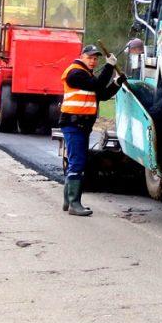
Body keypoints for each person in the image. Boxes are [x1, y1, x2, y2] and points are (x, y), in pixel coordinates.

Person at [59, 44, 125, 216]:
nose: (94, 61)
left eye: (96, 58)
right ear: (82, 56)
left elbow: (101, 95)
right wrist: (110, 66)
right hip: (74, 124)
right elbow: (97, 85)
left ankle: (69, 201)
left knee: (77, 162)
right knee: (78, 163)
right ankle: (74, 204)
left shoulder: (86, 75)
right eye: (90, 57)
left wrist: (117, 82)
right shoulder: (75, 73)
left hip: (81, 125)